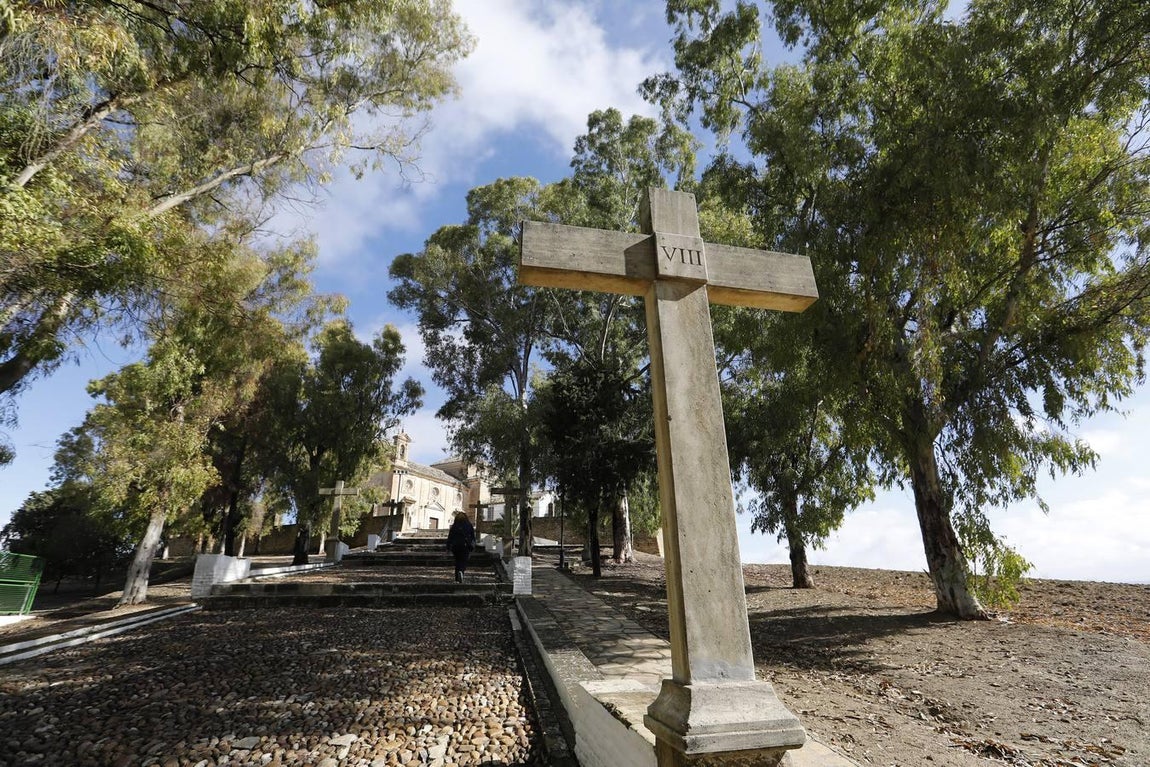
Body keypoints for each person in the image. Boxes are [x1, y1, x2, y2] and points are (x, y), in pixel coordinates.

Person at [446, 510, 476, 583]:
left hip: (455, 546)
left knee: (457, 561)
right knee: (463, 561)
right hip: (465, 546)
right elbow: (472, 536)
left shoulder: (454, 526)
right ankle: (461, 572)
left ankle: (457, 578)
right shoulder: (469, 525)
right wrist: (473, 545)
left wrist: (448, 547)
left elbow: (450, 537)